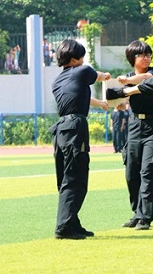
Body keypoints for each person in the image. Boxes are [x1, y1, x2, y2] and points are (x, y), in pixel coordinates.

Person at [48, 39, 110, 240]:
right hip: (76, 127)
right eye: (81, 56)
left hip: (61, 129)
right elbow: (99, 76)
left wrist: (99, 103)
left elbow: (77, 97)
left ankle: (72, 222)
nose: (83, 60)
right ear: (75, 59)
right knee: (76, 177)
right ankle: (64, 227)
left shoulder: (57, 80)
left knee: (66, 177)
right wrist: (107, 76)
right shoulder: (83, 71)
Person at [116, 40, 153, 231]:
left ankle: (145, 217)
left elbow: (146, 78)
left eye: (148, 54)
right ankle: (136, 213)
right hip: (135, 125)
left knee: (149, 171)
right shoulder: (128, 77)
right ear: (132, 58)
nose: (146, 58)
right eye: (142, 55)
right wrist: (117, 101)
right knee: (131, 172)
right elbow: (120, 102)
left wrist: (127, 83)